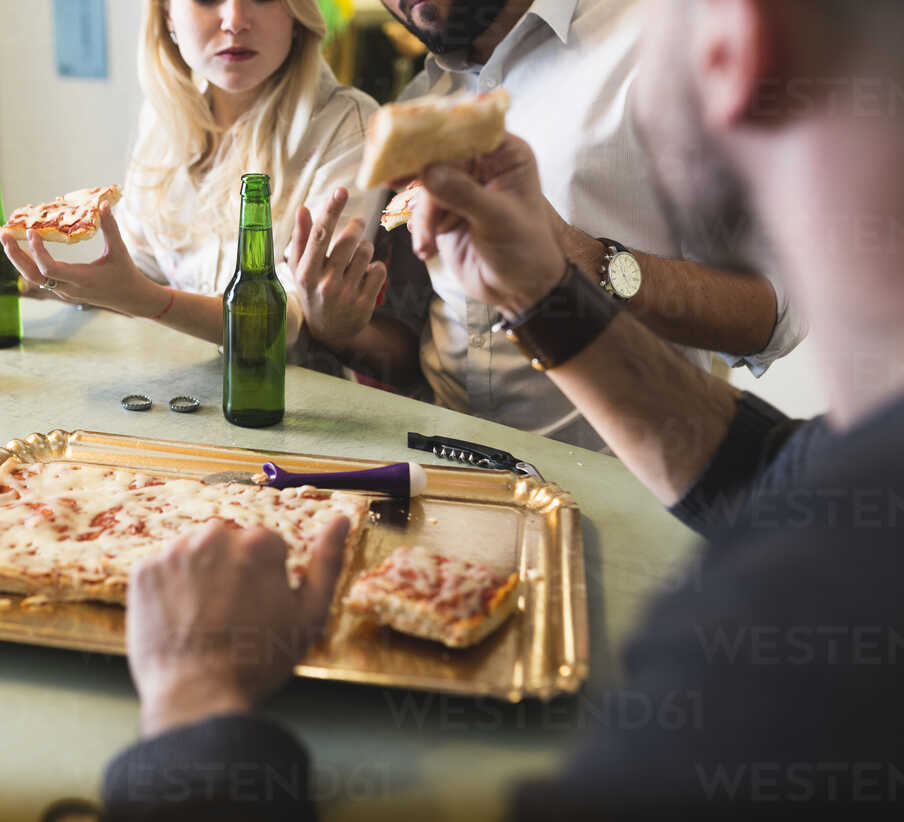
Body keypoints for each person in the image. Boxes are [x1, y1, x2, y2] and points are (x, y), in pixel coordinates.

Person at [98, 0, 904, 817]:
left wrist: (194, 700)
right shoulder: (421, 105)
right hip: (462, 513)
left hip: (626, 534)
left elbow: (772, 319)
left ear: (738, 45)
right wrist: (538, 293)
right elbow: (771, 471)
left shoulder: (770, 642)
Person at [315, 0, 810, 450]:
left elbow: (772, 316)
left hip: (618, 490)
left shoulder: (663, 43)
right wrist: (337, 328)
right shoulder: (421, 100)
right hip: (447, 484)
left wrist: (580, 258)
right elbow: (416, 345)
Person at [0, 0, 399, 373]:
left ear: (296, 11)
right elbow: (139, 268)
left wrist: (147, 301)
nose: (235, 20)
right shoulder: (164, 114)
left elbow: (284, 318)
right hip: (180, 390)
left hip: (290, 412)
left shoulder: (350, 127)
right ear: (167, 13)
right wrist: (39, 275)